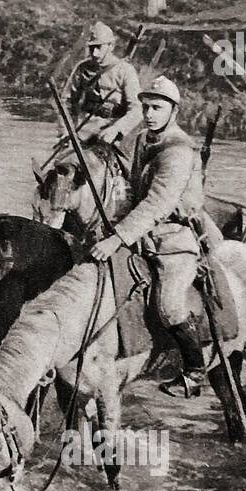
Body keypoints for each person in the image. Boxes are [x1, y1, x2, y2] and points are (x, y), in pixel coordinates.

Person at [89, 76, 208, 398]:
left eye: (157, 107)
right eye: (145, 107)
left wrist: (117, 238)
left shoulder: (179, 150)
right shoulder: (144, 139)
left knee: (168, 305)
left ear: (174, 110)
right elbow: (134, 192)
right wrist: (111, 223)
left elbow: (159, 202)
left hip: (173, 238)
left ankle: (195, 371)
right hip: (143, 234)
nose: (150, 113)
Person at [67, 20, 142, 147]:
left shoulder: (125, 70)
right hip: (84, 131)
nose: (94, 53)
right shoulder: (83, 68)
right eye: (91, 48)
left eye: (99, 47)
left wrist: (117, 129)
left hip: (114, 132)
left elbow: (137, 109)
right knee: (63, 163)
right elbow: (66, 102)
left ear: (111, 46)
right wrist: (66, 131)